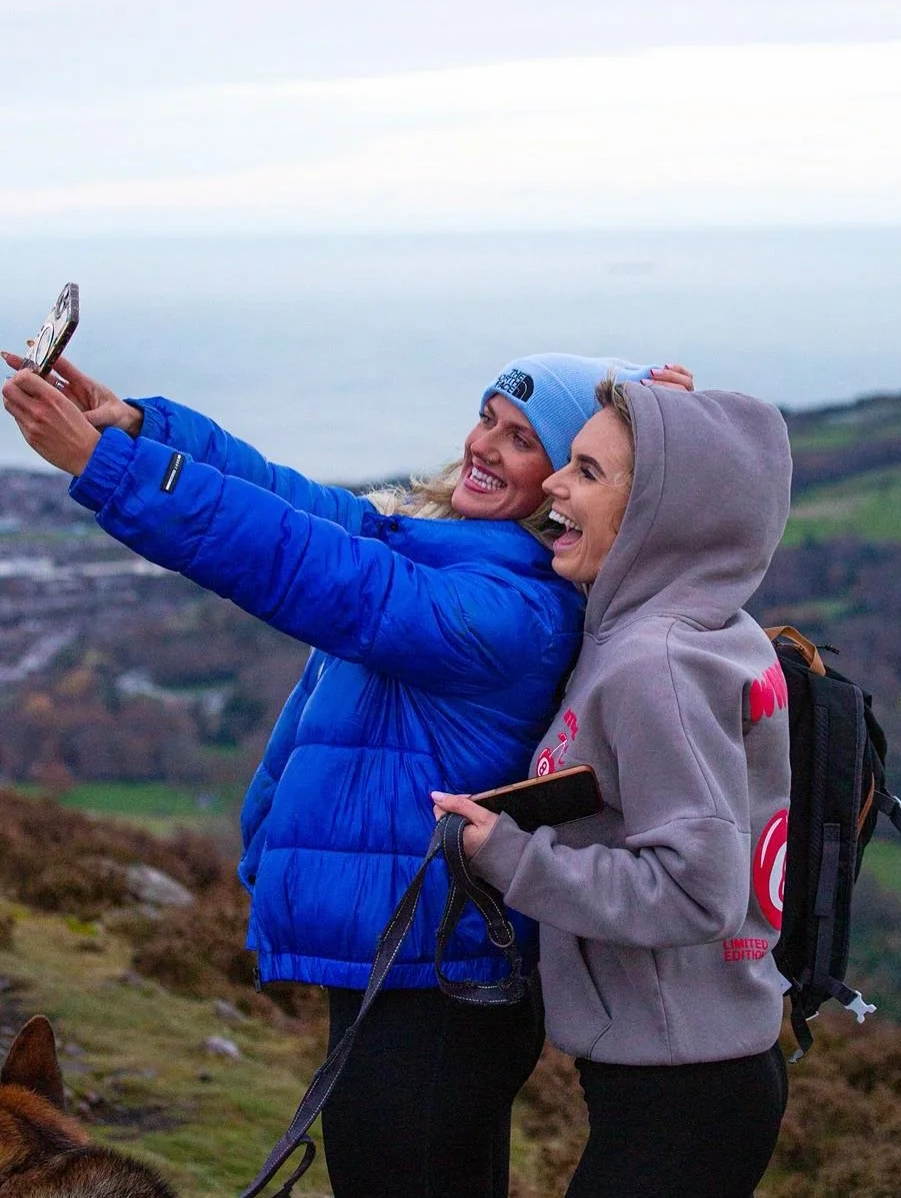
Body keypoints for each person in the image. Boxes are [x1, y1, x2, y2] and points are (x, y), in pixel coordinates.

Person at [1, 345, 692, 1198]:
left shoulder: (513, 610)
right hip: (401, 958)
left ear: (560, 485)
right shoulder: (455, 553)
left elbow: (318, 568)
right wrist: (145, 430)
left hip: (434, 979)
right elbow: (308, 508)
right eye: (487, 416)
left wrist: (108, 469)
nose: (484, 444)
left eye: (522, 440)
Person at [433, 378, 793, 1198]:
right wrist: (671, 410)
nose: (555, 482)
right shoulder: (708, 624)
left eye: (589, 472)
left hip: (681, 1084)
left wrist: (509, 854)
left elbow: (696, 890)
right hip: (699, 1060)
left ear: (661, 516)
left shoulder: (653, 665)